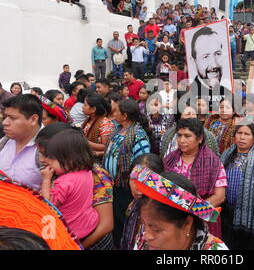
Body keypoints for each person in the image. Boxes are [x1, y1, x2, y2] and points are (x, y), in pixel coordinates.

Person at [35, 123, 114, 250]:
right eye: (41, 153)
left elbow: (106, 225)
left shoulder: (97, 175)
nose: (44, 160)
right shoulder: (74, 170)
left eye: (49, 155)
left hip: (90, 242)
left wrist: (76, 247)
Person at [132, 167, 227, 250]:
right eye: (144, 224)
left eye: (157, 229)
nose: (146, 235)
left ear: (187, 224)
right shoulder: (143, 240)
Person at [163, 118, 227, 238]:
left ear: (200, 138)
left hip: (201, 219)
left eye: (187, 136)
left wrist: (193, 210)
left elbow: (220, 196)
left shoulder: (213, 163)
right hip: (173, 216)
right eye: (179, 135)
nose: (181, 140)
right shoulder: (170, 160)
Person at [103, 100, 152, 247]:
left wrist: (134, 183)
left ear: (124, 116)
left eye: (117, 111)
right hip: (114, 186)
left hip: (127, 188)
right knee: (116, 220)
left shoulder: (138, 135)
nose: (114, 113)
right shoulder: (118, 129)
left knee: (126, 221)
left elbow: (143, 163)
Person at [220, 123, 254, 250]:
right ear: (234, 136)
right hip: (228, 212)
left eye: (247, 134)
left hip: (253, 214)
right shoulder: (226, 155)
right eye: (239, 133)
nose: (242, 137)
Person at [40, 129, 99, 240]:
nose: (49, 162)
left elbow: (47, 204)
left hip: (71, 231)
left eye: (53, 159)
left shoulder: (64, 182)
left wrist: (46, 180)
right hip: (88, 225)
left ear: (70, 159)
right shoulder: (87, 172)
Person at [121, 154, 164, 250]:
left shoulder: (163, 216)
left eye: (145, 180)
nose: (138, 188)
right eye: (134, 179)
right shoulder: (133, 205)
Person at [0, 95, 42, 190]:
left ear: (33, 119)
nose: (5, 122)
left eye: (12, 118)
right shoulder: (4, 141)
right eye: (5, 117)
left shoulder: (50, 148)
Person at [188, 26, 232, 112]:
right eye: (206, 56)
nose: (214, 64)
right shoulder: (189, 95)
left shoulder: (228, 94)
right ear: (193, 61)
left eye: (217, 54)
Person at [81, 93, 114, 158]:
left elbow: (106, 147)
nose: (82, 107)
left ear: (93, 109)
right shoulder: (88, 120)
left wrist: (84, 142)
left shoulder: (105, 123)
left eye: (85, 105)